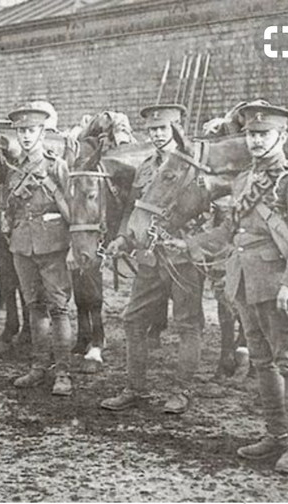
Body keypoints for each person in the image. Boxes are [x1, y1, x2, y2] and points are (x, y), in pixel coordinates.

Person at [165, 103, 288, 474]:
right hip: (246, 285)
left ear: (281, 137)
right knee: (263, 363)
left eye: (263, 134)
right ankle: (276, 435)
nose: (255, 140)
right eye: (251, 134)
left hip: (280, 287)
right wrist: (189, 245)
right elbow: (229, 233)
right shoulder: (246, 180)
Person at [101, 104, 204, 413]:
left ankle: (181, 391)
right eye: (152, 130)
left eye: (163, 129)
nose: (157, 135)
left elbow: (212, 211)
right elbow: (134, 209)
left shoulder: (193, 164)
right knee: (133, 320)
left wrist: (192, 242)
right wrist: (123, 238)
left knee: (187, 325)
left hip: (182, 258)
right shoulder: (146, 166)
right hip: (149, 257)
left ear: (176, 131)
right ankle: (135, 388)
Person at [0, 102, 75, 396]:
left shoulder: (56, 166)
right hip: (22, 246)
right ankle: (39, 367)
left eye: (31, 130)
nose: (26, 136)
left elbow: (72, 210)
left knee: (59, 308)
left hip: (52, 246)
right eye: (21, 131)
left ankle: (63, 373)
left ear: (43, 132)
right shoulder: (13, 171)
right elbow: (10, 212)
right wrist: (0, 224)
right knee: (34, 307)